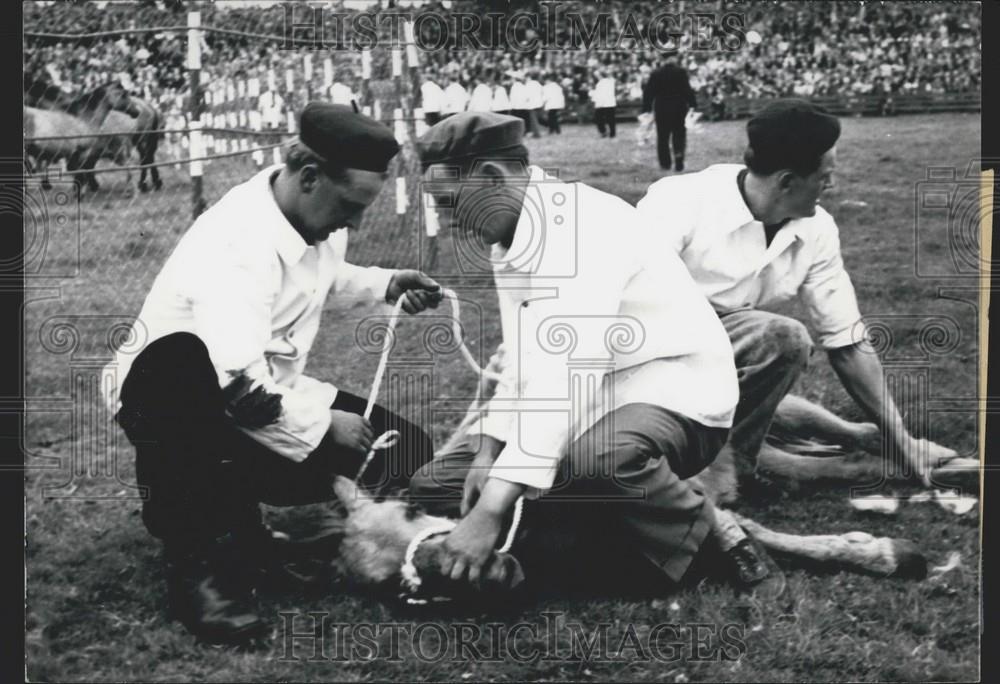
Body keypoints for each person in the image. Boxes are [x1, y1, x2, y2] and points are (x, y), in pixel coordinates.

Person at [102, 103, 443, 644]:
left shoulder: (308, 213)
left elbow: (321, 276)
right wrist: (323, 425)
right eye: (351, 206)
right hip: (173, 395)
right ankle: (202, 563)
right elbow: (235, 383)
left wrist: (386, 282)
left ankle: (241, 524)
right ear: (309, 177)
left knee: (407, 449)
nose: (354, 222)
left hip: (262, 390)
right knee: (182, 373)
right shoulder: (237, 243)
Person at [409, 112, 782, 599]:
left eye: (449, 202)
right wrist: (489, 448)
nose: (448, 219)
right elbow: (525, 357)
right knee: (438, 484)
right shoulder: (513, 227)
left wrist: (491, 510)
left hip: (673, 392)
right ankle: (610, 531)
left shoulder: (579, 227)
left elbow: (566, 378)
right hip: (594, 401)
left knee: (596, 463)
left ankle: (712, 533)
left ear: (492, 179)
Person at [636, 99, 958, 494]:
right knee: (773, 337)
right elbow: (634, 311)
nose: (832, 185)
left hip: (725, 354)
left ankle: (846, 441)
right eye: (825, 176)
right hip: (649, 350)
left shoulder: (818, 229)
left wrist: (902, 440)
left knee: (780, 339)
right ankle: (732, 458)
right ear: (787, 182)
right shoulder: (678, 202)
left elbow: (847, 342)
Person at [642, 53, 698, 171]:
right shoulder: (680, 72)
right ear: (673, 58)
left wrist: (646, 108)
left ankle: (665, 163)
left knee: (662, 136)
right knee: (679, 134)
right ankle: (678, 158)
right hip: (679, 108)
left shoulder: (656, 73)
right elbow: (687, 89)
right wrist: (693, 104)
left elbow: (649, 92)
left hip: (662, 108)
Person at [590, 68, 617, 138]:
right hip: (606, 103)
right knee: (609, 119)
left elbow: (597, 94)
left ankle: (606, 132)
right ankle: (610, 133)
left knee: (602, 119)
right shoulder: (609, 82)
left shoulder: (605, 82)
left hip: (604, 103)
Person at [524, 69, 544, 139]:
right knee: (536, 119)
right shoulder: (538, 84)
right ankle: (536, 132)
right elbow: (542, 93)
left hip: (532, 104)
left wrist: (526, 101)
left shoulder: (528, 84)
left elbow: (526, 95)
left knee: (533, 119)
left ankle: (537, 133)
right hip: (538, 103)